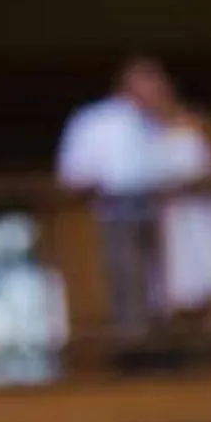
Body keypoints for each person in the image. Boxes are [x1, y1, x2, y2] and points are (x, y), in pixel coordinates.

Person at [55, 57, 171, 348]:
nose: (156, 89)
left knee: (163, 278)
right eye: (149, 81)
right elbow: (73, 171)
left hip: (164, 206)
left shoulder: (158, 123)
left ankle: (165, 339)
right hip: (115, 205)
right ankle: (135, 344)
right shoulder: (96, 120)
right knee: (126, 273)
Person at [148, 97, 211, 324]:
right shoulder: (148, 132)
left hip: (202, 209)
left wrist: (210, 180)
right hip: (171, 213)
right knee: (179, 279)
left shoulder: (201, 125)